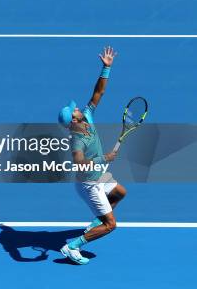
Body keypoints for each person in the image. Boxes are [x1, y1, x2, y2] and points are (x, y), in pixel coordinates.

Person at [57, 46, 127, 265]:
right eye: (74, 110)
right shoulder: (77, 140)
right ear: (73, 120)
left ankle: (97, 219)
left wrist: (105, 68)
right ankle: (72, 247)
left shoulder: (87, 115)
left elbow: (98, 93)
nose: (77, 107)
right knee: (111, 225)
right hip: (90, 182)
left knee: (119, 193)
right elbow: (79, 163)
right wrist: (103, 159)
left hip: (99, 175)